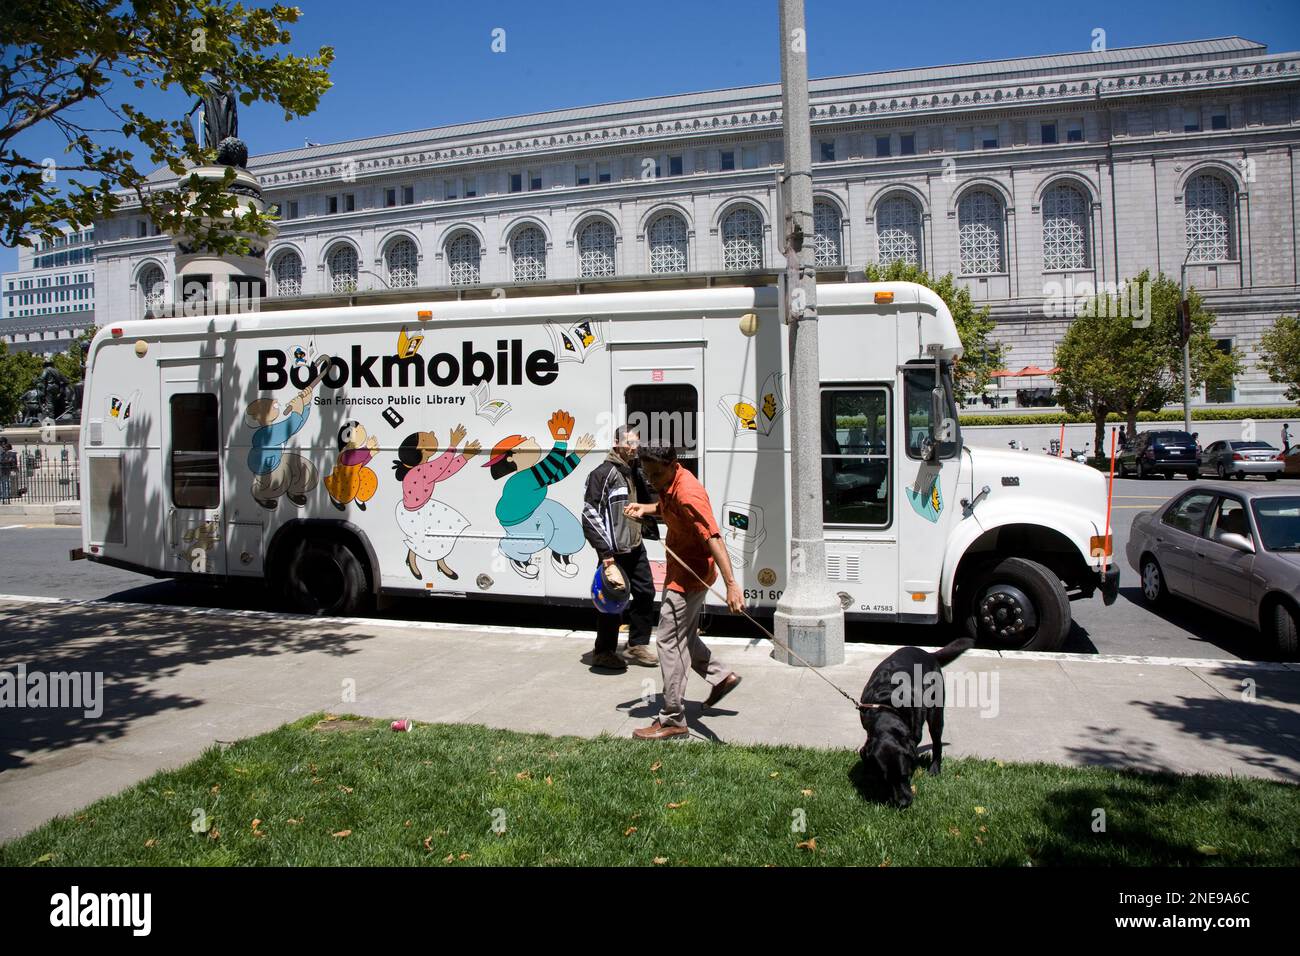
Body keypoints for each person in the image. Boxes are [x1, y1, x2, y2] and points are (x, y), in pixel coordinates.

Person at [624, 445, 744, 740]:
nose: (651, 481)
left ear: (673, 464)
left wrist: (731, 584)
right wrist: (647, 508)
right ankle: (721, 676)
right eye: (647, 474)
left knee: (668, 641)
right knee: (683, 636)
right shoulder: (670, 481)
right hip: (682, 572)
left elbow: (713, 536)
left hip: (689, 578)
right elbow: (667, 506)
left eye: (656, 474)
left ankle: (673, 719)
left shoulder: (688, 492)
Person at [581, 425, 657, 671]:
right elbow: (589, 514)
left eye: (636, 444)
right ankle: (603, 652)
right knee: (612, 602)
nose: (634, 449)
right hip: (613, 553)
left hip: (635, 546)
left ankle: (637, 644)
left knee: (646, 593)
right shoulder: (603, 473)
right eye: (630, 444)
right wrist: (605, 555)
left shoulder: (633, 471)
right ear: (616, 443)